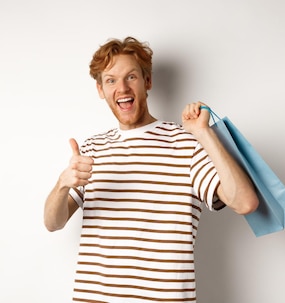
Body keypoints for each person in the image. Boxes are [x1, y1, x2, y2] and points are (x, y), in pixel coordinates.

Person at [43, 36, 259, 302]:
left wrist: (204, 134)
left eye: (131, 77)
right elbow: (53, 223)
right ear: (100, 90)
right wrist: (62, 183)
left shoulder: (185, 143)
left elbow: (245, 202)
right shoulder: (93, 148)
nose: (122, 88)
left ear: (147, 82)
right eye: (111, 80)